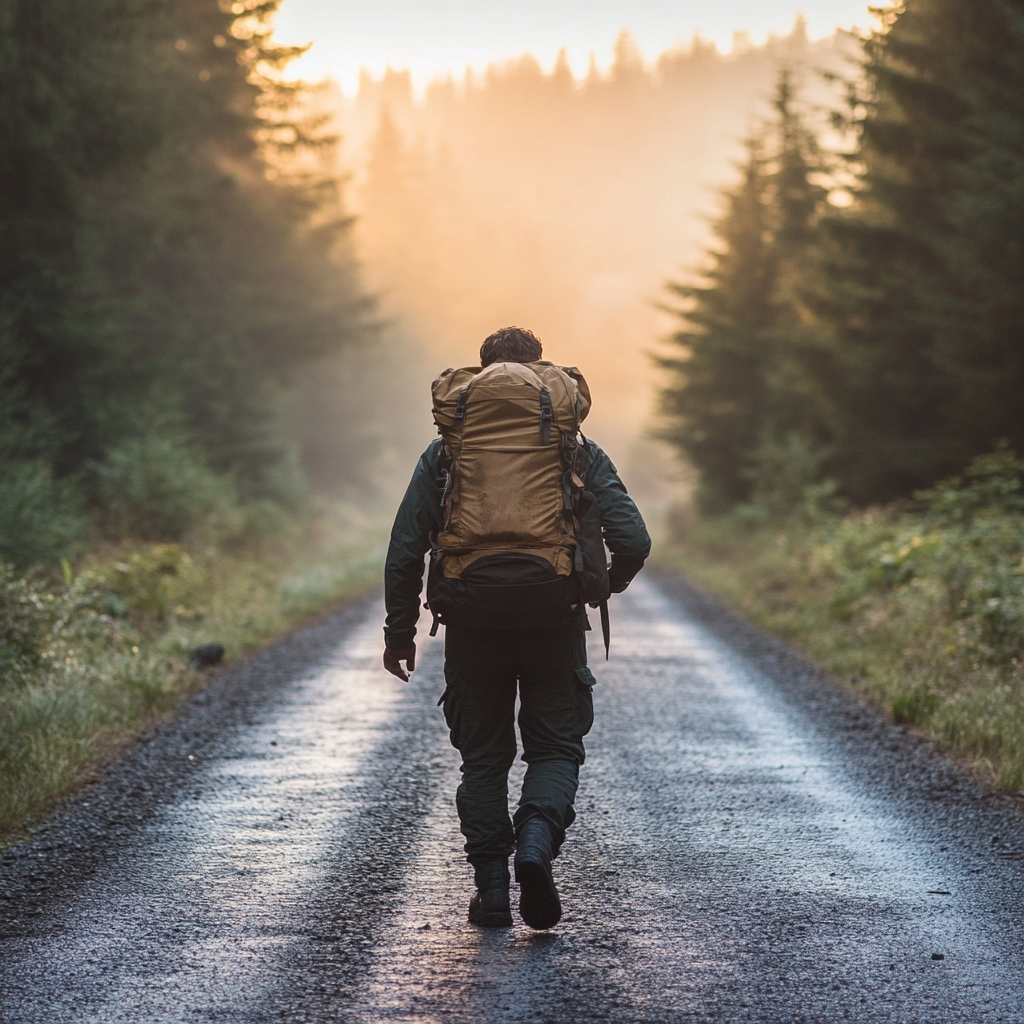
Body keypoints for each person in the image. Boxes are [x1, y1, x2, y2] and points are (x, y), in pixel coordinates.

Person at [382, 326, 651, 930]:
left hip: (472, 617)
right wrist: (600, 585)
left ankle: (493, 891)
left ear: (477, 380)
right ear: (543, 376)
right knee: (555, 746)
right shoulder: (573, 446)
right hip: (553, 612)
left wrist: (399, 633)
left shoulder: (448, 451)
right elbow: (633, 539)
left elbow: (405, 549)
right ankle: (535, 842)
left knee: (482, 759)